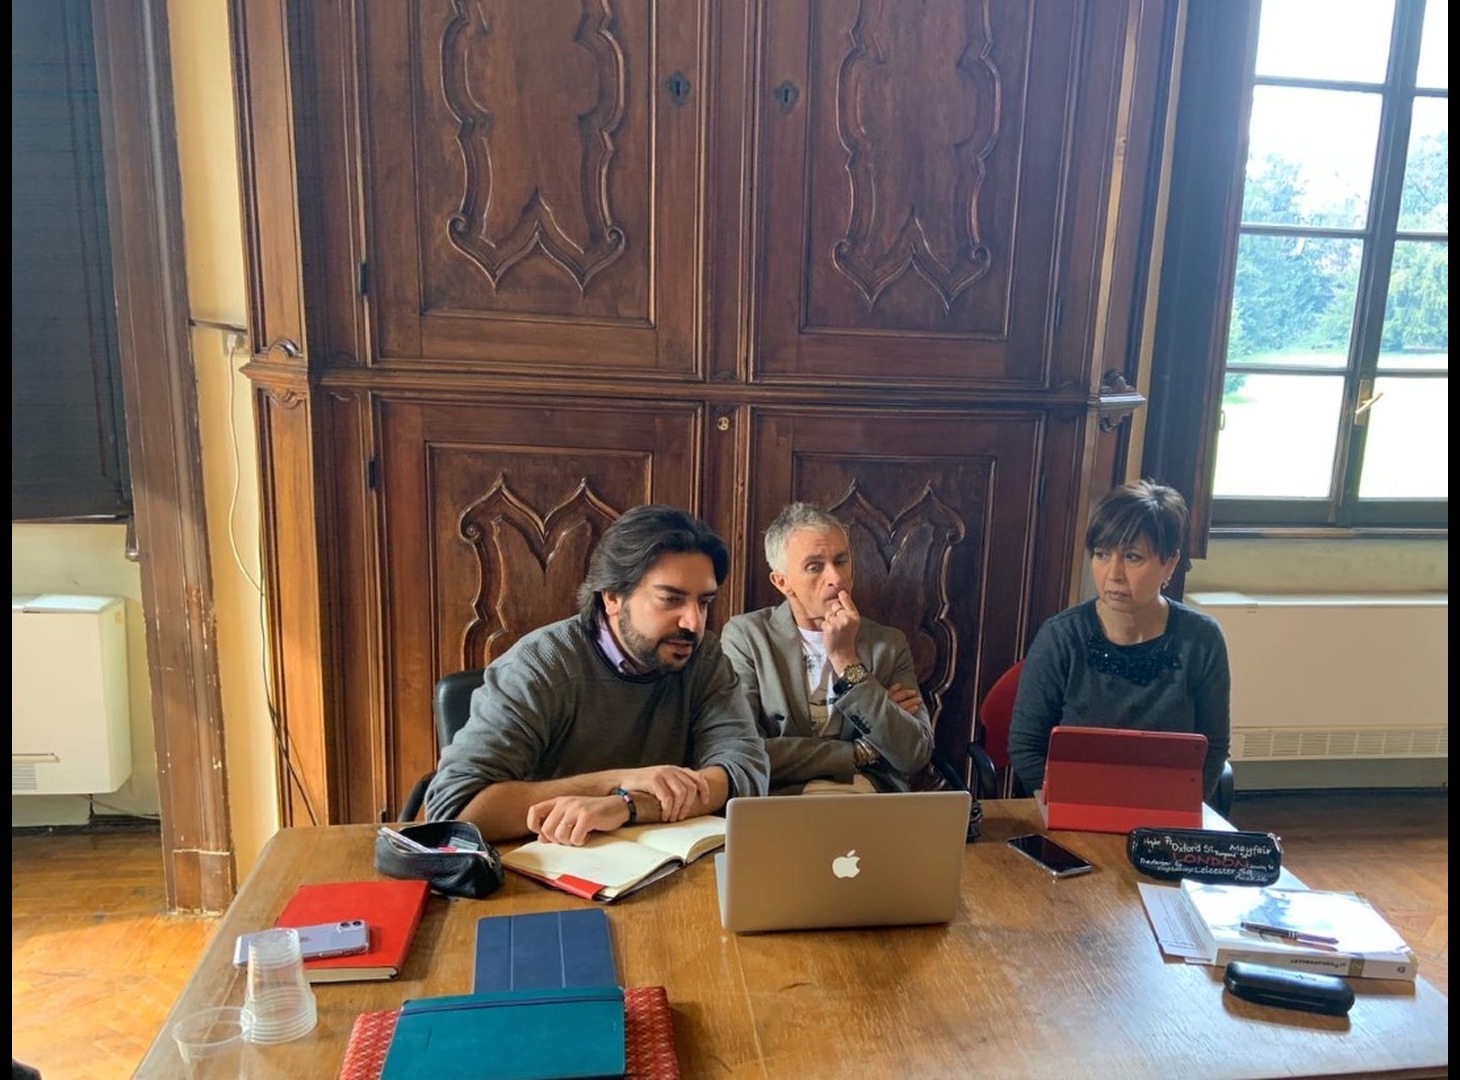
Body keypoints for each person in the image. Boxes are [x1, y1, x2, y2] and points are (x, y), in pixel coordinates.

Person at [424, 504, 770, 843]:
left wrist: (628, 805)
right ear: (612, 598)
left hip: (661, 861)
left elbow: (745, 771)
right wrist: (616, 782)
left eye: (704, 602)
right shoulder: (540, 667)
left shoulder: (704, 657)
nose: (693, 623)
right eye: (670, 599)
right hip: (545, 863)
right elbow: (452, 814)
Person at [1007, 480, 1231, 802]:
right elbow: (1026, 745)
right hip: (1074, 805)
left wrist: (1182, 805)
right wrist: (1068, 803)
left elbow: (1213, 747)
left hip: (1165, 808)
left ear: (1170, 563)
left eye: (1132, 557)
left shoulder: (1202, 639)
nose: (1113, 574)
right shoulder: (1062, 636)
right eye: (1101, 554)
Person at [720, 502, 934, 793]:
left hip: (870, 800)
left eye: (841, 561)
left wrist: (846, 660)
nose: (836, 578)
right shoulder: (747, 637)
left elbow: (913, 753)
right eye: (814, 567)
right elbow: (744, 751)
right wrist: (860, 751)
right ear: (782, 582)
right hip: (782, 801)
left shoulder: (888, 643)